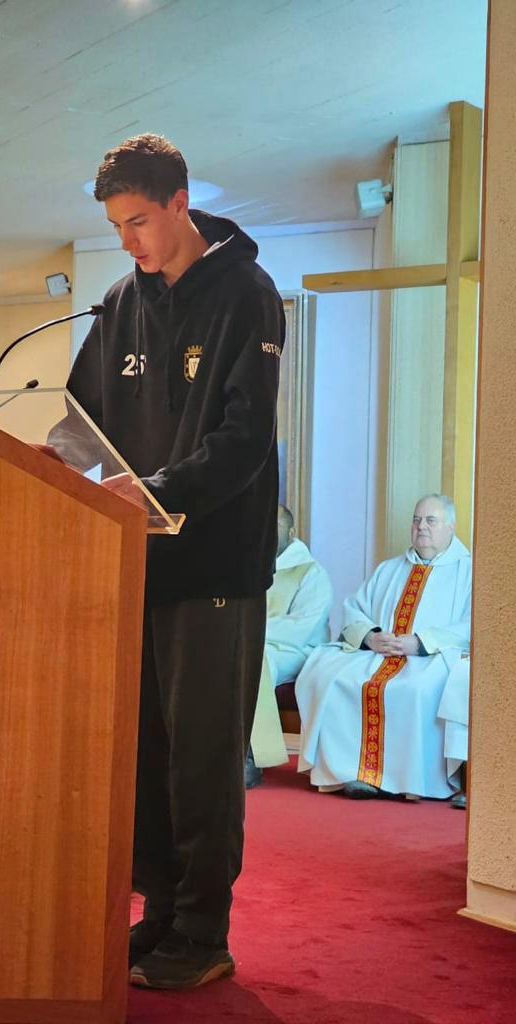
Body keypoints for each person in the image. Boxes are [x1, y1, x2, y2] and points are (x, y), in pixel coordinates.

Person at [63, 135, 284, 989]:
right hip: (135, 567)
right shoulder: (122, 302)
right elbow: (80, 420)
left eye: (138, 222)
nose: (128, 242)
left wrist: (154, 490)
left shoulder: (248, 295)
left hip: (216, 569)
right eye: (116, 227)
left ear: (180, 204)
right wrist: (53, 464)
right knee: (146, 756)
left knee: (200, 757)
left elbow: (244, 440)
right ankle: (159, 913)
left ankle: (203, 930)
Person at [295, 494, 471, 800]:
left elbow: (473, 624)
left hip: (432, 657)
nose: (421, 527)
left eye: (431, 520)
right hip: (380, 653)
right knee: (331, 677)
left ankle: (409, 780)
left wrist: (422, 642)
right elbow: (355, 609)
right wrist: (370, 635)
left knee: (417, 689)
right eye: (416, 520)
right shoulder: (390, 568)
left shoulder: (468, 573)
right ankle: (352, 773)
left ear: (451, 527)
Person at [245, 504, 333, 787]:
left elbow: (302, 627)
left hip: (299, 651)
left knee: (257, 660)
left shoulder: (311, 572)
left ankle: (252, 756)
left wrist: (250, 632)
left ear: (292, 532)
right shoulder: (250, 565)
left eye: (276, 526)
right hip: (255, 643)